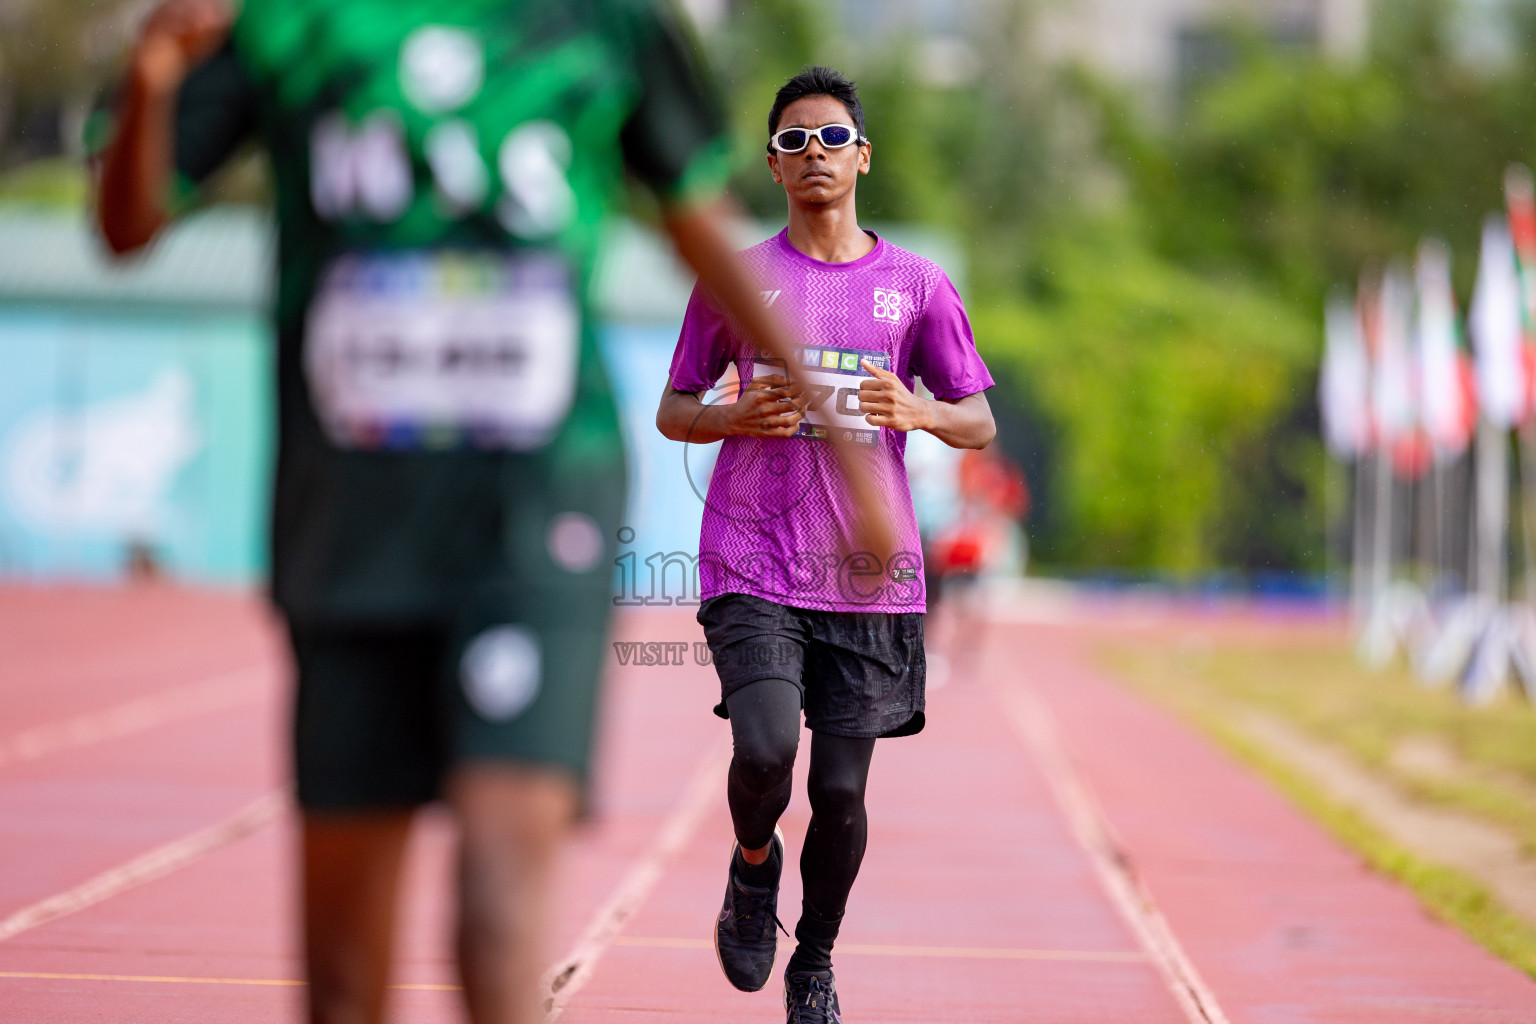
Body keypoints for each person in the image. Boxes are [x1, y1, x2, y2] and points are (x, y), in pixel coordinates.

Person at [93, 3, 853, 1022]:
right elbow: (128, 225)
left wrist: (835, 431)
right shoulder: (286, 23)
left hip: (538, 497)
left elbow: (695, 221)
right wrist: (150, 79)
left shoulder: (607, 22)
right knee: (344, 975)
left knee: (497, 898)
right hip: (350, 515)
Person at [656, 66, 997, 1024]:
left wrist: (922, 409)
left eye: (832, 139)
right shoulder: (737, 280)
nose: (816, 155)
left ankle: (815, 960)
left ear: (863, 157)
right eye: (795, 141)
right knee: (765, 750)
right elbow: (673, 409)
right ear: (772, 166)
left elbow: (977, 423)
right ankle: (752, 867)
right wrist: (729, 418)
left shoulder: (918, 287)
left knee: (841, 795)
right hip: (753, 556)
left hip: (866, 575)